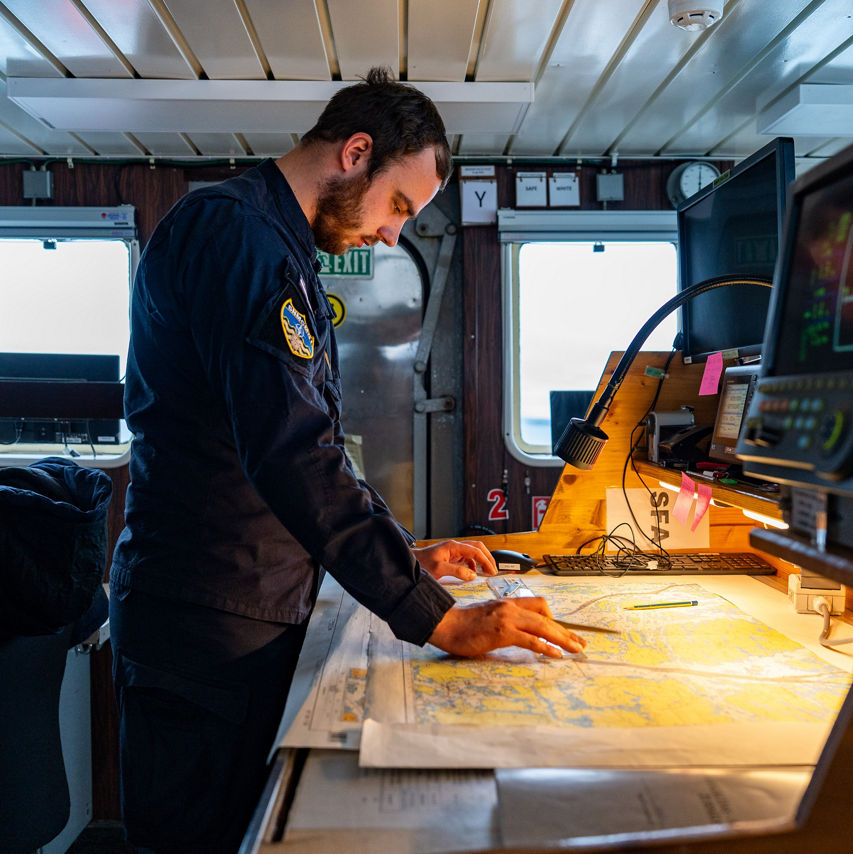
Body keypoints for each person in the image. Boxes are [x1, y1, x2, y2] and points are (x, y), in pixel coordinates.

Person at [108, 67, 584, 853]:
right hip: (206, 627)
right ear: (356, 152)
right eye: (399, 205)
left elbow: (316, 446)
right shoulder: (239, 237)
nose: (396, 233)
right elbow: (292, 455)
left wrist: (406, 555)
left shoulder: (280, 247)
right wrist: (439, 618)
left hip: (243, 606)